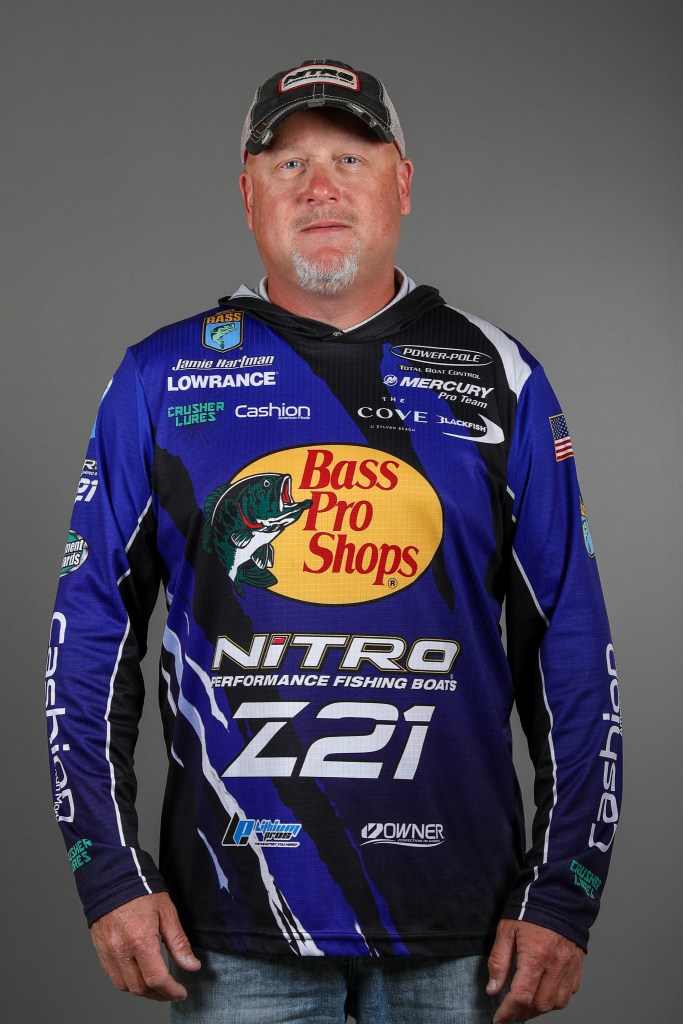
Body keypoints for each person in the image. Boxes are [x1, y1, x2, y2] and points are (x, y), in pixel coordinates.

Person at [45, 58, 622, 1023]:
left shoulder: (500, 377)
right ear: (248, 195)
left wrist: (564, 890)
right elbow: (89, 638)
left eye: (350, 159)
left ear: (402, 182)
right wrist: (107, 872)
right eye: (288, 164)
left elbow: (570, 645)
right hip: (230, 926)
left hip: (462, 931)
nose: (319, 187)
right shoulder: (160, 378)